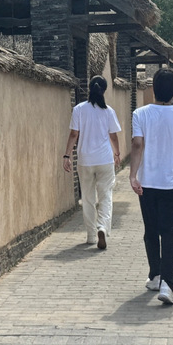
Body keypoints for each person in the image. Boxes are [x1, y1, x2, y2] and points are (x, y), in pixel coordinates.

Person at [129, 68, 173, 305]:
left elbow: (137, 145)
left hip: (147, 183)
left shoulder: (140, 114)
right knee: (169, 233)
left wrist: (133, 176)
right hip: (172, 184)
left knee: (151, 230)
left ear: (154, 88)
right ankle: (167, 285)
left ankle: (155, 275)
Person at [63, 75, 121, 250]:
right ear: (104, 90)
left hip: (85, 160)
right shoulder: (108, 111)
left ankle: (90, 236)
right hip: (104, 159)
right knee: (105, 195)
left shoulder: (79, 109)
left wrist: (66, 155)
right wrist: (117, 153)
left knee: (88, 198)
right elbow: (113, 136)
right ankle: (102, 227)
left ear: (89, 88)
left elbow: (74, 134)